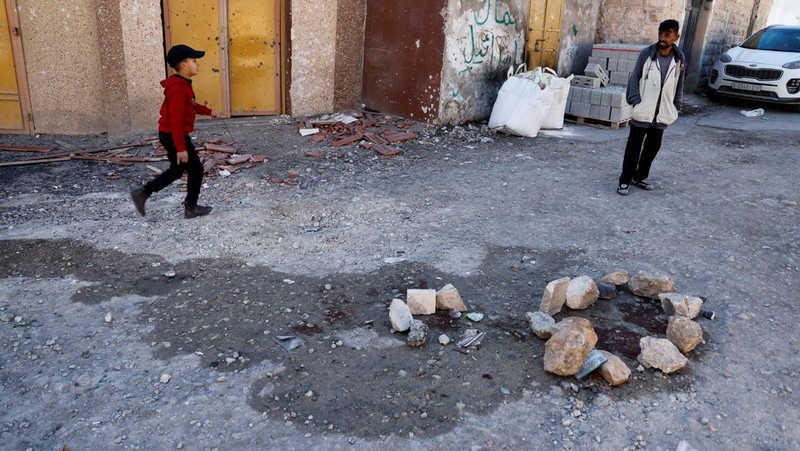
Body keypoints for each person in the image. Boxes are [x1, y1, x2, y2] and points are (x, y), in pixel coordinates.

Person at [131, 44, 217, 218]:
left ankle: (143, 193)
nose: (197, 64)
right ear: (183, 65)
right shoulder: (178, 89)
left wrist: (209, 111)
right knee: (196, 169)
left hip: (170, 134)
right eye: (194, 61)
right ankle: (191, 208)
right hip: (173, 135)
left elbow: (190, 105)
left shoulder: (183, 84)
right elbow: (176, 121)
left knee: (177, 170)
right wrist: (181, 147)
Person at [617, 19, 685, 195]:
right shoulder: (646, 53)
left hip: (662, 112)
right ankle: (625, 180)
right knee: (633, 148)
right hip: (643, 109)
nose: (662, 38)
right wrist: (635, 101)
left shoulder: (679, 58)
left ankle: (640, 177)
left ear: (676, 37)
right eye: (660, 34)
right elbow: (634, 78)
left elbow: (679, 84)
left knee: (652, 148)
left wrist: (676, 106)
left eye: (667, 35)